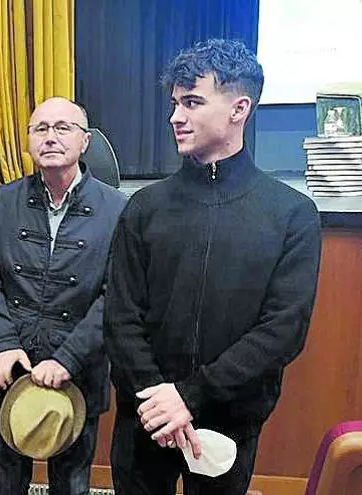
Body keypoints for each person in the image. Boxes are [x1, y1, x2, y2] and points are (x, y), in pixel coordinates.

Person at [104, 39, 321, 494]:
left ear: (239, 109)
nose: (175, 117)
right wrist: (159, 400)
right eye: (174, 104)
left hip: (230, 418)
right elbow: (121, 316)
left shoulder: (290, 213)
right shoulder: (144, 208)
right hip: (145, 416)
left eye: (192, 102)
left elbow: (283, 329)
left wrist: (191, 395)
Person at [0, 97, 127, 494]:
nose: (50, 137)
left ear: (84, 141)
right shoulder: (5, 200)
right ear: (28, 141)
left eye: (62, 128)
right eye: (40, 128)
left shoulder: (117, 209)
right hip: (11, 365)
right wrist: (1, 345)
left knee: (71, 484)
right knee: (6, 482)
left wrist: (68, 359)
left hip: (79, 367)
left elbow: (116, 296)